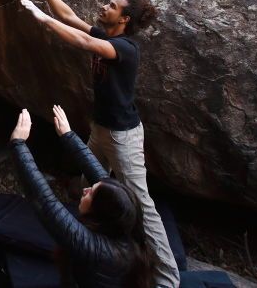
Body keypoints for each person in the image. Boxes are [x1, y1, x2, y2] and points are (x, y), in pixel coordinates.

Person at [20, 0, 179, 288]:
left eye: (112, 6)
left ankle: (168, 278)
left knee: (141, 203)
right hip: (102, 127)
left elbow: (82, 41)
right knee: (85, 183)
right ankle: (89, 240)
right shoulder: (106, 35)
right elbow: (71, 18)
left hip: (123, 136)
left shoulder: (124, 49)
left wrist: (41, 18)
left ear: (125, 20)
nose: (105, 6)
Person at [10, 106, 153, 288]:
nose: (86, 191)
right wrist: (68, 135)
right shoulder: (124, 223)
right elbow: (99, 175)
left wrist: (18, 144)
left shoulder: (97, 250)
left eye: (91, 194)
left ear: (100, 213)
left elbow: (46, 203)